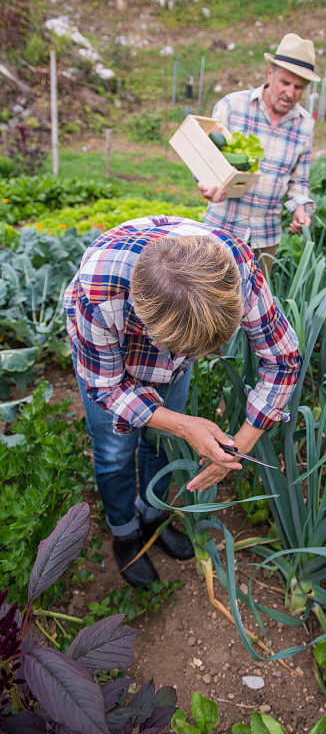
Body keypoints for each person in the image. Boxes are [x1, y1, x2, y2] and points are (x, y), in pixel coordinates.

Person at [64, 216, 302, 587]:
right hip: (110, 362)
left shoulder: (234, 269)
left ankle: (153, 515)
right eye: (188, 350)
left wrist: (238, 447)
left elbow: (283, 358)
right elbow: (106, 388)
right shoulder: (98, 294)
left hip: (173, 329)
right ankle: (125, 532)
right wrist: (182, 423)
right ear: (145, 322)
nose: (204, 357)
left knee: (161, 443)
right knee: (114, 453)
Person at [198, 33, 321, 273]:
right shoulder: (232, 106)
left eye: (298, 87)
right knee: (207, 304)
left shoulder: (305, 125)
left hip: (266, 238)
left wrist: (300, 208)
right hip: (221, 228)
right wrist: (208, 183)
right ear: (269, 73)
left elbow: (299, 181)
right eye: (284, 82)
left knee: (253, 307)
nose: (290, 92)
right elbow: (204, 160)